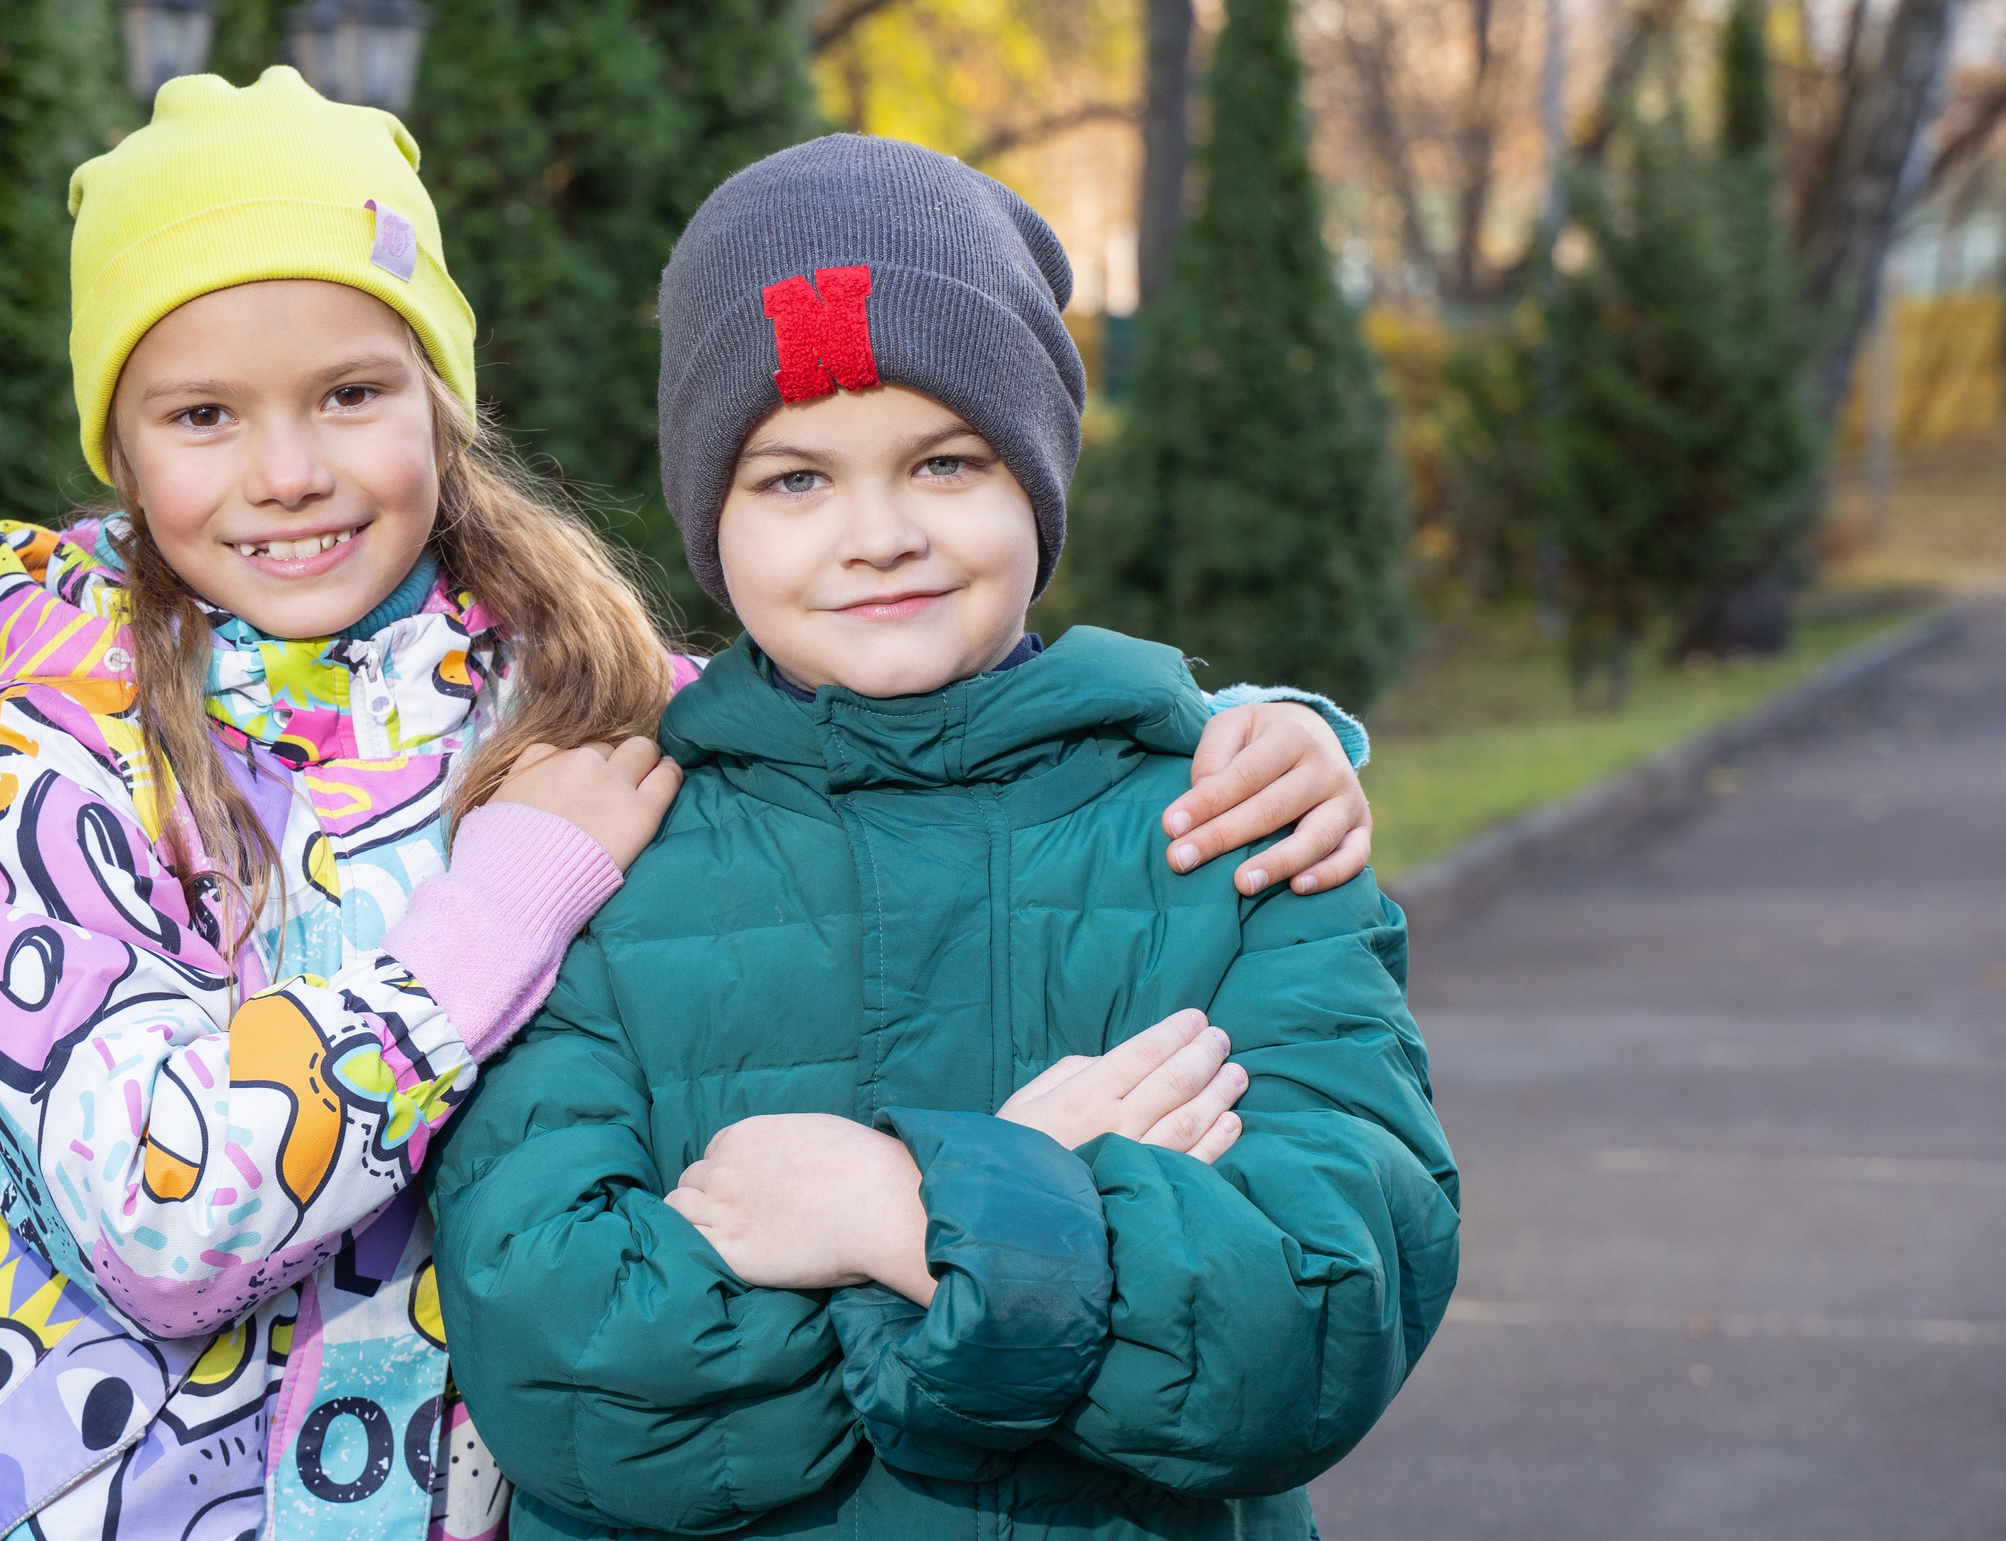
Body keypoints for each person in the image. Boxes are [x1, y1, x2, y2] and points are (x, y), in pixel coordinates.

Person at [0, 74, 1382, 1541]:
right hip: (92, 1488)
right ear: (119, 438)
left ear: (441, 402)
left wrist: (1256, 732)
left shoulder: (572, 689)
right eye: (202, 416)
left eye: (353, 390)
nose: (287, 469)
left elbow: (865, 693)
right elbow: (155, 1234)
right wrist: (484, 930)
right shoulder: (37, 764)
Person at [431, 134, 1460, 1541]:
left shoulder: (1235, 831)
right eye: (794, 478)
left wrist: (898, 1212)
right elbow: (568, 1387)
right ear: (709, 512)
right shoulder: (604, 854)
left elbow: (1312, 1326)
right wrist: (1029, 1213)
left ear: (1035, 475)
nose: (878, 535)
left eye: (946, 461)